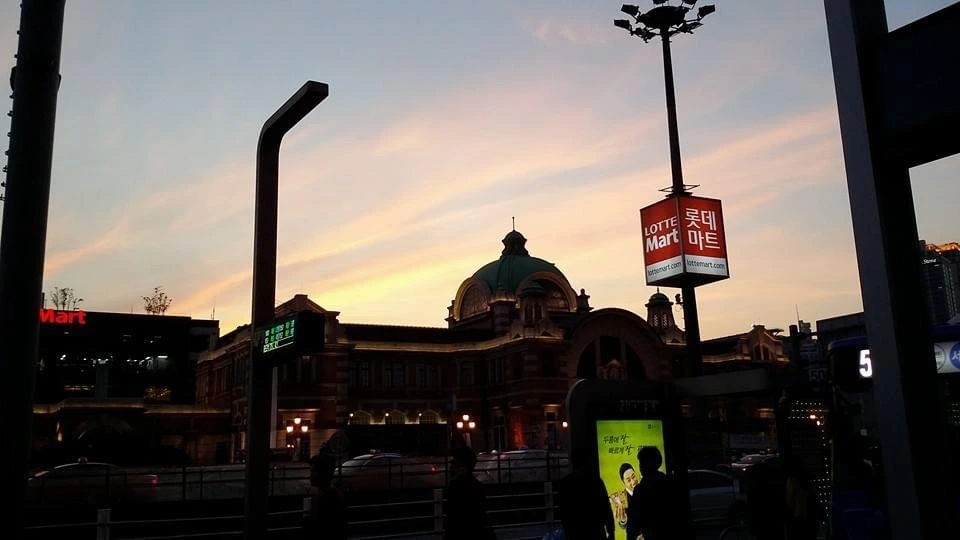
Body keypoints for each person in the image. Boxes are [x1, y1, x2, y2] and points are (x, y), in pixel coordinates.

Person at [626, 446, 683, 540]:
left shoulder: (640, 490)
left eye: (642, 463)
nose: (640, 467)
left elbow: (634, 522)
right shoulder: (670, 484)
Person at [444, 445, 494, 540]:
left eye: (454, 463)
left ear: (463, 467)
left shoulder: (455, 488)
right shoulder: (478, 486)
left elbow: (453, 520)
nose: (451, 467)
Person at [556, 467, 614, 540]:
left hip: (575, 532)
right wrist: (611, 532)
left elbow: (562, 512)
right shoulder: (596, 481)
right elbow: (606, 508)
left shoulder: (565, 483)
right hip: (596, 532)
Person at [303, 449, 347, 540]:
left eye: (313, 471)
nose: (310, 476)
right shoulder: (328, 494)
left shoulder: (328, 498)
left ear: (322, 474)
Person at [610, 463, 638, 531]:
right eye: (628, 480)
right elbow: (623, 526)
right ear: (624, 482)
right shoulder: (622, 499)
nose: (633, 482)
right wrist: (623, 520)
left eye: (633, 476)